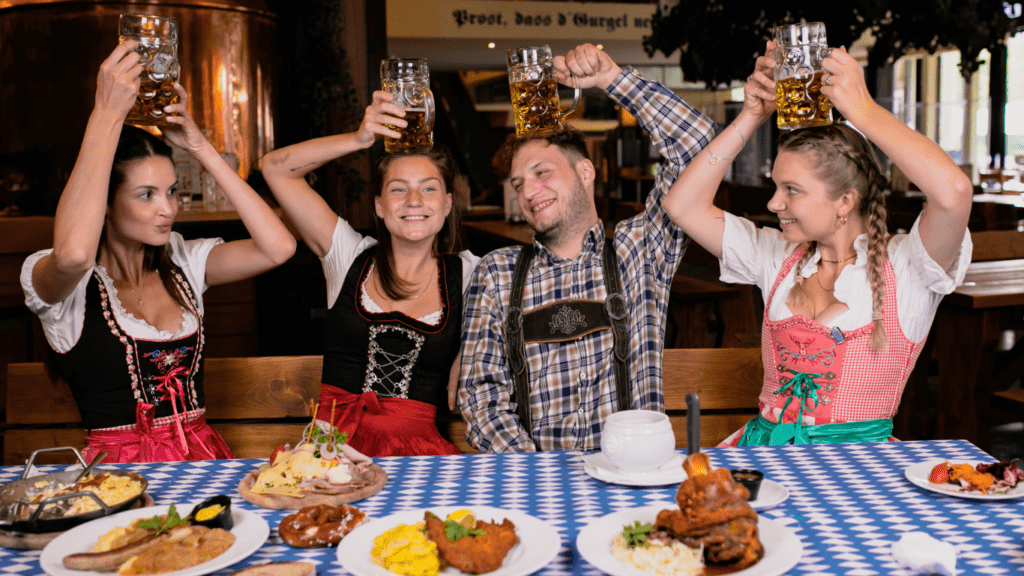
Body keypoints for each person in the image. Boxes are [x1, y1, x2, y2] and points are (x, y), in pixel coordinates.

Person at [663, 42, 973, 446]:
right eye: (776, 186)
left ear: (845, 201)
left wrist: (862, 110)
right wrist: (752, 114)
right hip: (765, 456)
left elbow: (953, 191)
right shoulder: (777, 256)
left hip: (860, 470)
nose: (774, 203)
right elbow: (681, 205)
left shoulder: (909, 268)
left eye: (792, 190)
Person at [21, 42, 297, 463]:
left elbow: (279, 247)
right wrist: (107, 114)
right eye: (146, 195)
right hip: (119, 478)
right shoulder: (62, 284)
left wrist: (199, 145)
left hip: (204, 463)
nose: (167, 208)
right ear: (105, 203)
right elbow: (75, 254)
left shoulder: (182, 261)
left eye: (170, 192)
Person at [457, 43, 716, 452]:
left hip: (632, 475)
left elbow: (697, 143)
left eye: (542, 172)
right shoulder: (497, 273)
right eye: (519, 183)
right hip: (538, 480)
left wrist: (611, 80)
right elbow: (479, 396)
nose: (528, 191)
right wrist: (534, 471)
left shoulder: (640, 250)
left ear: (585, 171)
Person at [261, 93, 481, 457]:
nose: (413, 200)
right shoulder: (347, 255)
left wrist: (471, 346)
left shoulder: (470, 274)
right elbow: (275, 168)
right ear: (379, 205)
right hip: (330, 447)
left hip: (417, 452)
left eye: (429, 189)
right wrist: (360, 138)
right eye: (398, 190)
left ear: (446, 204)